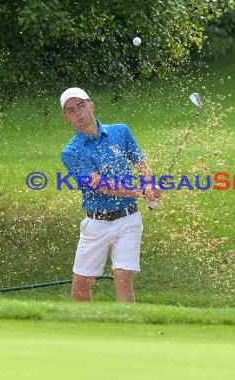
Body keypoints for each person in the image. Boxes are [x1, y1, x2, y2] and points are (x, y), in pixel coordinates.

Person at [59, 87, 162, 302]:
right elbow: (99, 184)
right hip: (96, 224)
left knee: (123, 278)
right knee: (81, 287)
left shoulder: (121, 132)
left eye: (82, 105)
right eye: (71, 110)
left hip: (129, 219)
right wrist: (140, 192)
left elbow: (141, 165)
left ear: (91, 105)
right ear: (67, 117)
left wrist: (150, 185)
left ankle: (128, 330)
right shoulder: (71, 152)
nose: (78, 112)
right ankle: (82, 332)